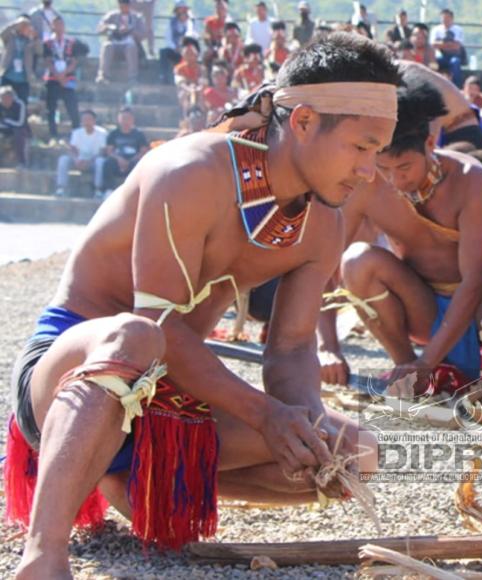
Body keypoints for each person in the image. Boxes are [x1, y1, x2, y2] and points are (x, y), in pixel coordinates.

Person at [6, 33, 403, 577]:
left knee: (355, 453)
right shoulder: (189, 171)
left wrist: (301, 423)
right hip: (72, 378)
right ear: (305, 121)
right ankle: (43, 554)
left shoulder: (324, 224)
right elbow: (157, 323)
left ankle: (135, 484)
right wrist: (264, 413)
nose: (369, 170)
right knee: (135, 336)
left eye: (379, 152)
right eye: (362, 147)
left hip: (171, 399)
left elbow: (290, 350)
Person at [337, 83, 482, 394]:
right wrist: (326, 347)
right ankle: (407, 369)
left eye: (404, 167)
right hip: (423, 307)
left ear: (430, 143)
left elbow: (474, 280)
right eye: (384, 168)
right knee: (355, 261)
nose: (395, 180)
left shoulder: (470, 177)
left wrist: (428, 360)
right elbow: (324, 264)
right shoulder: (366, 182)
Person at [400, 60, 482, 156]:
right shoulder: (409, 72)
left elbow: (434, 114)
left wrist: (430, 151)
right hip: (459, 131)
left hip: (465, 135)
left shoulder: (411, 75)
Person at [43, 18, 83, 144]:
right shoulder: (48, 43)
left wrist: (64, 74)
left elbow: (74, 61)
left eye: (61, 24)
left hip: (68, 77)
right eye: (56, 25)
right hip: (52, 78)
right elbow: (48, 61)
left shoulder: (71, 42)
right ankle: (53, 134)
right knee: (51, 108)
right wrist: (58, 75)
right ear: (53, 27)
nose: (59, 27)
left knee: (72, 107)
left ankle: (76, 133)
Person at [94, 107, 149, 198]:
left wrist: (130, 160)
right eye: (123, 118)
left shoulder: (139, 134)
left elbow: (143, 152)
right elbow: (109, 151)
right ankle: (108, 190)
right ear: (119, 119)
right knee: (108, 163)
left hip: (133, 160)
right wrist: (119, 159)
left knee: (139, 164)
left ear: (132, 120)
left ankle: (136, 191)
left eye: (128, 118)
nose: (125, 121)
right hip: (117, 160)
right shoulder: (113, 134)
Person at [55, 110, 108, 196]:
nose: (86, 122)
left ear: (94, 121)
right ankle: (61, 188)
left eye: (89, 119)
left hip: (93, 161)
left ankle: (98, 189)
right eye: (84, 119)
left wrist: (89, 161)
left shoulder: (102, 133)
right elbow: (72, 149)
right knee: (63, 159)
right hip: (78, 161)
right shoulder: (77, 132)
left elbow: (102, 152)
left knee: (100, 161)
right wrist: (76, 159)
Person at [97, 0, 145, 83]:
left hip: (129, 42)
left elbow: (142, 35)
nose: (123, 8)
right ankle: (103, 75)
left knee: (132, 48)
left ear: (129, 6)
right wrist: (109, 27)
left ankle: (133, 77)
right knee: (107, 46)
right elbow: (100, 29)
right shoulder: (111, 15)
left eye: (125, 6)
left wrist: (130, 31)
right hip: (114, 41)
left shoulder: (137, 18)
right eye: (121, 6)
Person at [1, 16, 40, 105]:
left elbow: (39, 51)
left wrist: (36, 37)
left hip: (23, 78)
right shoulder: (11, 37)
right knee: (3, 100)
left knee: (22, 102)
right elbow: (2, 34)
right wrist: (15, 24)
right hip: (8, 75)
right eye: (23, 26)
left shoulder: (31, 41)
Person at [160, 0, 196, 84]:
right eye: (180, 10)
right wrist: (174, 47)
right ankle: (163, 76)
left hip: (186, 50)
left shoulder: (190, 22)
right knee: (163, 52)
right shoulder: (171, 23)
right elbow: (168, 38)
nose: (182, 12)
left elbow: (190, 34)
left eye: (183, 10)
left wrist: (183, 47)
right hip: (175, 49)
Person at [431, 8, 466, 85]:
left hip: (454, 55)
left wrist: (441, 45)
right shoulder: (436, 29)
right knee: (432, 62)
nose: (445, 20)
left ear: (452, 18)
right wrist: (450, 44)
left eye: (447, 18)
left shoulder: (458, 29)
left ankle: (457, 86)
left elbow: (457, 46)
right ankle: (432, 84)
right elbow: (433, 45)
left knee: (455, 62)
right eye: (443, 18)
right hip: (440, 56)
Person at [0, 86, 28, 167]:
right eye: (2, 98)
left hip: (18, 128)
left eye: (7, 98)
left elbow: (21, 123)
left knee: (18, 135)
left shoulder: (20, 104)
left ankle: (22, 162)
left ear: (12, 98)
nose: (5, 101)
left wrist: (8, 121)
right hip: (3, 128)